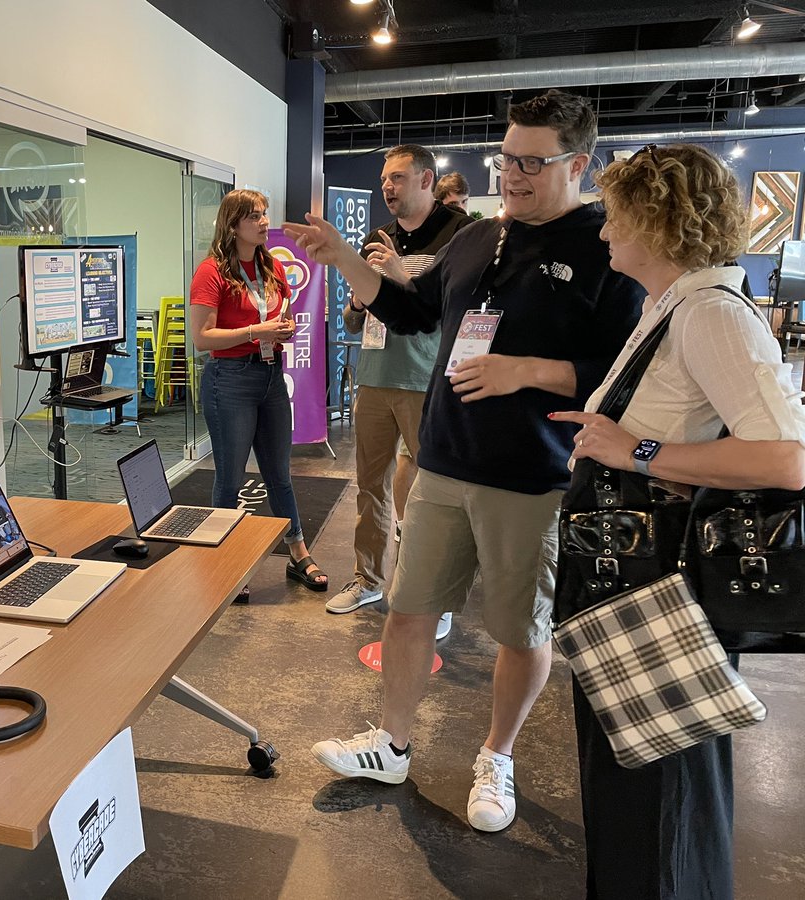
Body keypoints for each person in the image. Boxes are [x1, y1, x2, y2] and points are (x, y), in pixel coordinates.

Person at [284, 90, 643, 832]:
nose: (511, 174)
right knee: (409, 610)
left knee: (521, 630)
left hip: (533, 476)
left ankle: (498, 756)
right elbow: (412, 310)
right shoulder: (478, 237)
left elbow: (626, 370)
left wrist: (529, 371)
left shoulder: (609, 245)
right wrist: (346, 259)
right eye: (505, 158)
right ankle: (393, 743)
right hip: (445, 464)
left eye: (531, 163)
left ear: (578, 164)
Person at [549, 143, 805, 899]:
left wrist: (638, 449)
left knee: (659, 795)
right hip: (633, 591)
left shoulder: (713, 315)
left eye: (616, 216)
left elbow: (787, 462)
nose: (603, 234)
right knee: (635, 782)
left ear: (658, 222)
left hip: (659, 592)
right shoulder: (677, 308)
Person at [327, 144, 471, 619]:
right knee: (370, 487)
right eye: (385, 178)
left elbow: (457, 315)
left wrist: (399, 278)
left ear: (428, 180)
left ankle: (438, 600)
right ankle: (367, 579)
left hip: (426, 381)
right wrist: (358, 302)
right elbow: (351, 322)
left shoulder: (460, 234)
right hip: (374, 377)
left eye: (399, 178)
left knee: (434, 496)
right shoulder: (375, 236)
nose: (388, 187)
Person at [189, 189, 328, 593]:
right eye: (255, 216)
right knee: (230, 478)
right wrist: (256, 331)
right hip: (229, 379)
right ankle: (226, 561)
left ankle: (298, 553)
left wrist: (281, 330)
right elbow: (201, 338)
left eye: (265, 214)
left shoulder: (271, 269)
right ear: (233, 225)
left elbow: (279, 317)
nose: (265, 222)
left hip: (269, 375)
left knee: (279, 474)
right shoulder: (211, 271)